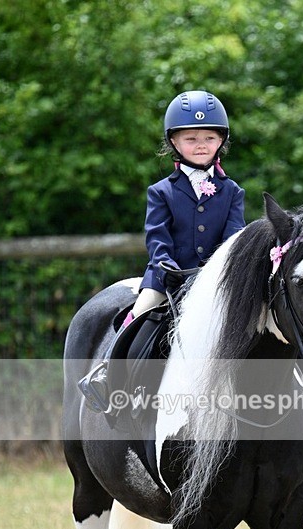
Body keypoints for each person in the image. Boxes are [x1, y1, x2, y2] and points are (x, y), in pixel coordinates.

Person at [79, 89, 245, 413]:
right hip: (166, 277)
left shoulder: (232, 192)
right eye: (191, 138)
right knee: (139, 313)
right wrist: (164, 263)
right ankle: (106, 378)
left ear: (221, 142)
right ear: (174, 143)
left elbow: (233, 238)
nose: (200, 145)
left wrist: (215, 272)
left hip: (213, 282)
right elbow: (156, 235)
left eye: (209, 137)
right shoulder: (161, 191)